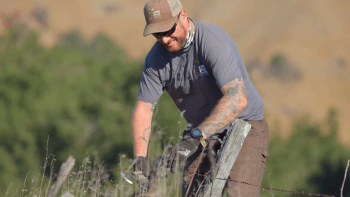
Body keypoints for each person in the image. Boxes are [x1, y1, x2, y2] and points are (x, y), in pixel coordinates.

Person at [131, 0, 269, 196]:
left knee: (236, 193)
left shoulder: (213, 42)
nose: (164, 39)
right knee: (192, 193)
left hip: (245, 124)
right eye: (157, 34)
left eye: (168, 30)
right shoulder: (154, 60)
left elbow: (237, 98)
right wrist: (140, 159)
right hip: (201, 132)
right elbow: (143, 109)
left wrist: (195, 138)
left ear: (183, 16)